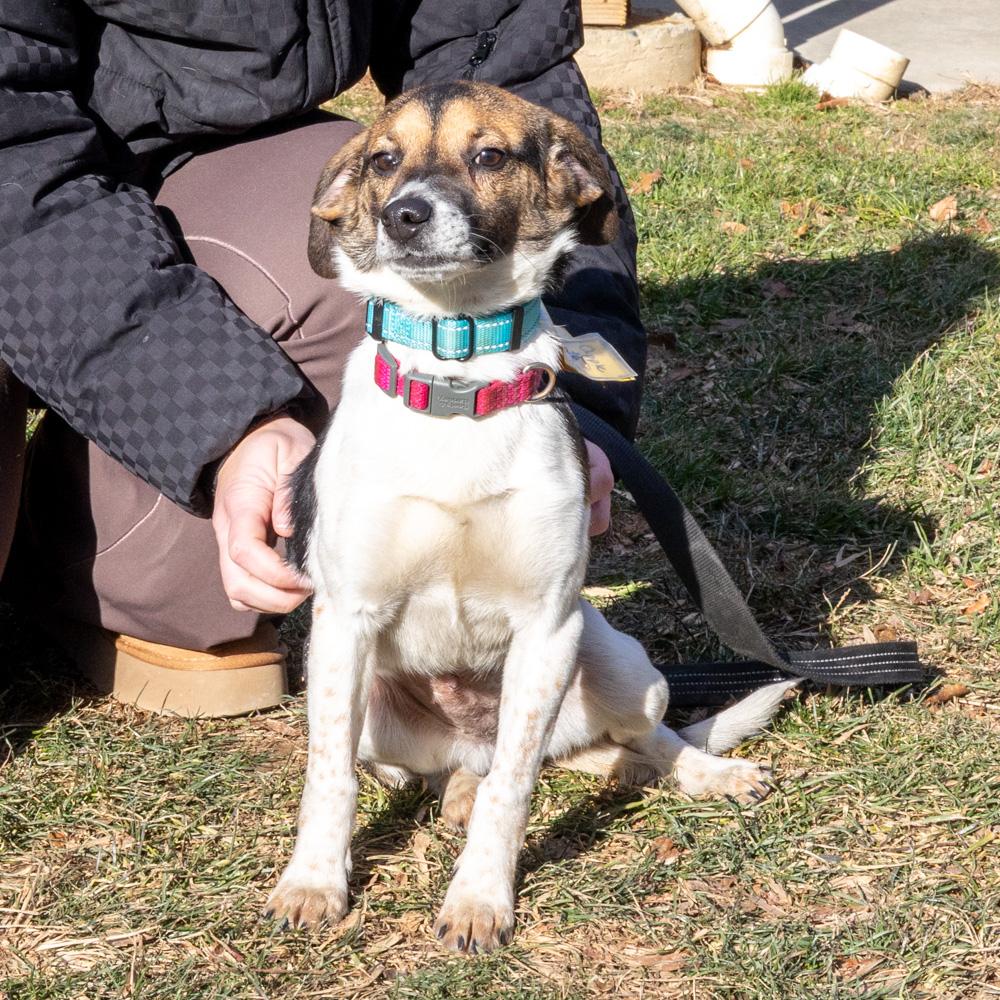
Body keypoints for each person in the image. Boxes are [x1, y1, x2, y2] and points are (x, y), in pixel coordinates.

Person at [0, 0, 646, 715]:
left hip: (197, 169)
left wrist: (559, 397)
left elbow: (508, 67)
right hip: (25, 182)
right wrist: (222, 418)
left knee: (352, 259)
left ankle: (86, 553)